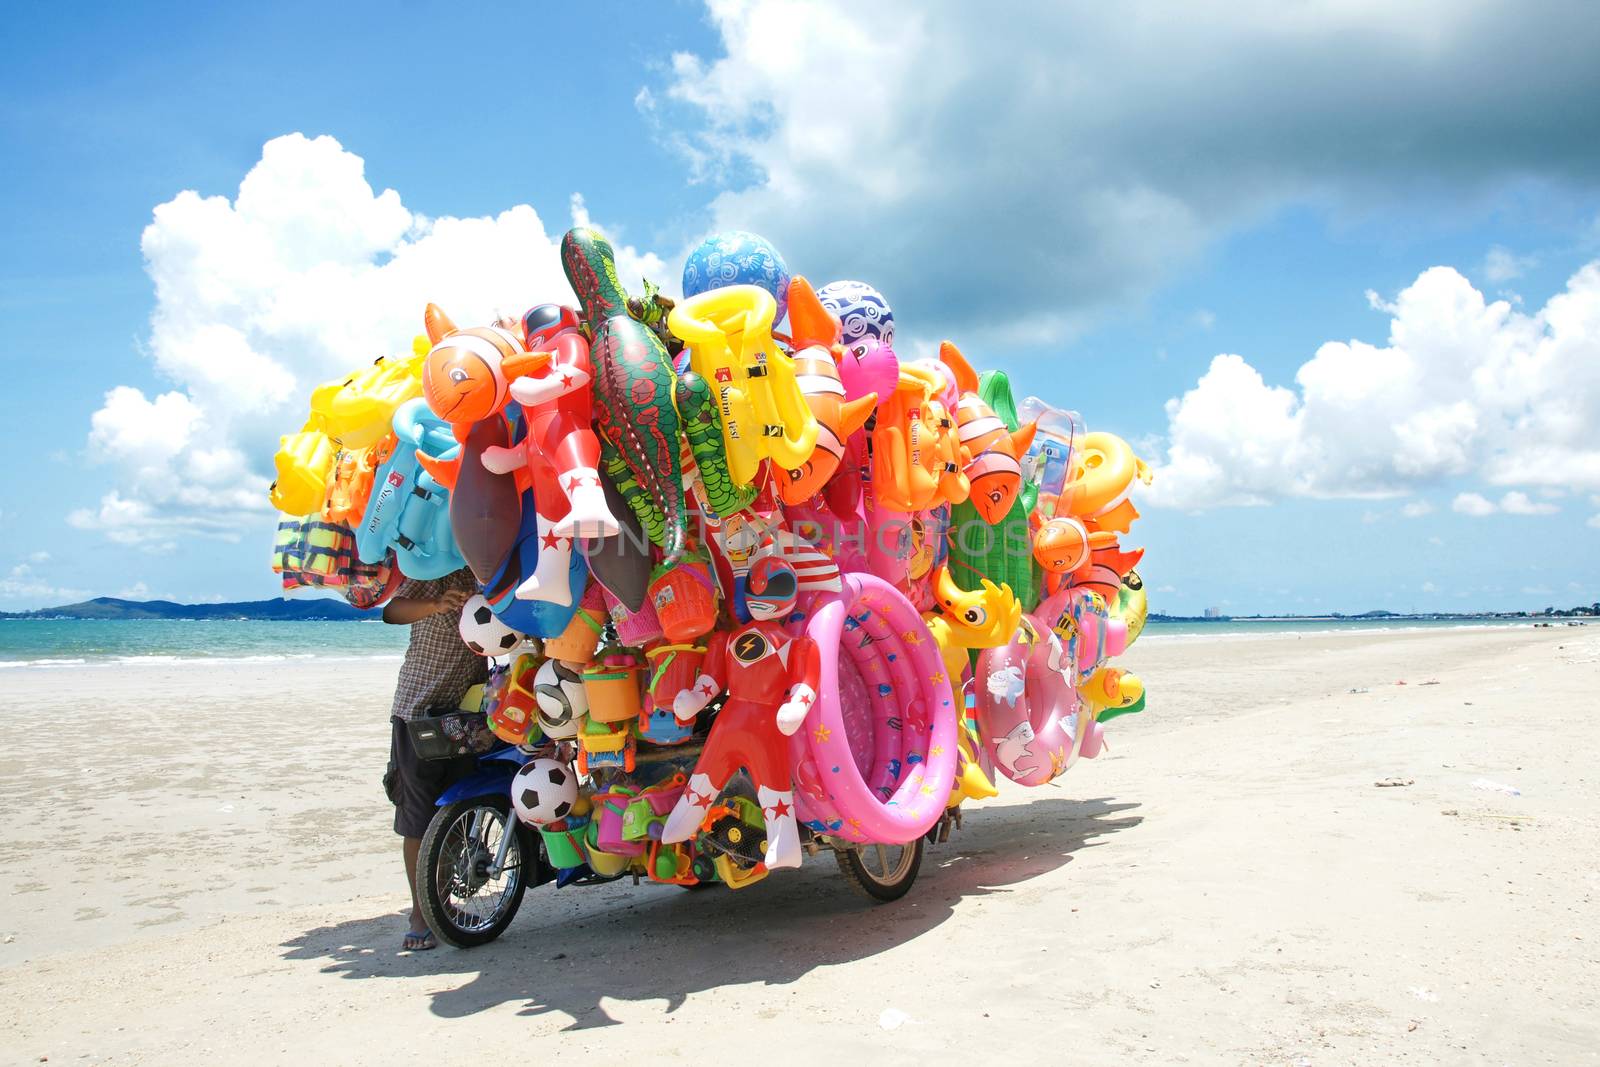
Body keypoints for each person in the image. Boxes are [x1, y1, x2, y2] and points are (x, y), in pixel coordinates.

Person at [381, 567, 486, 951]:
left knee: (459, 813)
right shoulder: (432, 565)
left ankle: (443, 904)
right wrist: (436, 604)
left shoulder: (488, 573)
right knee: (418, 818)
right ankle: (420, 912)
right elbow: (391, 611)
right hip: (418, 711)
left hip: (467, 712)